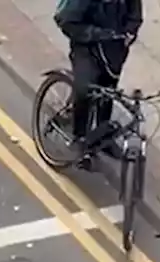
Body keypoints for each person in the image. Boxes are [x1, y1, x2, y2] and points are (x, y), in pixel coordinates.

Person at [54, 0, 141, 165]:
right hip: (86, 49)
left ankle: (104, 136)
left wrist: (130, 31)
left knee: (108, 91)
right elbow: (65, 20)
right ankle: (79, 138)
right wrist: (96, 34)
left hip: (113, 49)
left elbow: (135, 15)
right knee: (85, 89)